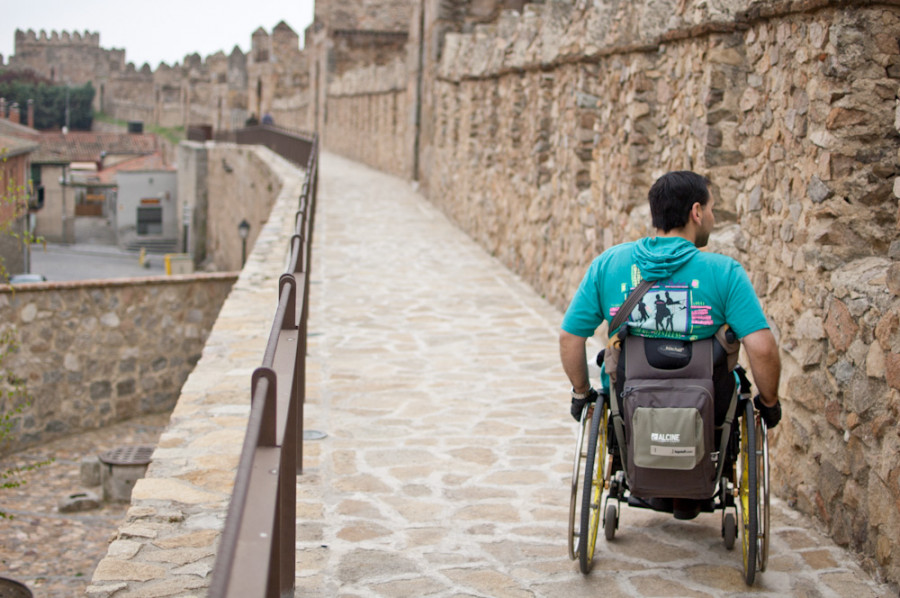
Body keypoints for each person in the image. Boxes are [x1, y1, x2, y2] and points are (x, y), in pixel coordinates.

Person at [559, 171, 782, 429]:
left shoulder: (608, 265)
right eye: (712, 209)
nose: (713, 217)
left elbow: (569, 337)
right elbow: (762, 349)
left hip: (629, 411)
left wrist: (581, 393)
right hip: (709, 417)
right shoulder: (725, 272)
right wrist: (769, 403)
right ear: (696, 212)